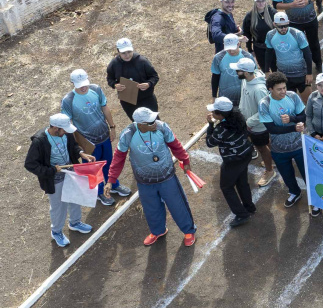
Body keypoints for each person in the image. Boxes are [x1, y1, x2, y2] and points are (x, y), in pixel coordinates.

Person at [106, 108, 197, 246]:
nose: (154, 123)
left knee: (177, 205)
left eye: (154, 120)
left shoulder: (162, 127)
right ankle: (158, 231)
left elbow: (175, 145)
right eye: (150, 122)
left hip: (167, 177)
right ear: (140, 124)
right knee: (151, 209)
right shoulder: (128, 134)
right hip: (144, 181)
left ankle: (188, 231)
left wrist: (185, 160)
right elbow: (119, 157)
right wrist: (111, 180)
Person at [24, 113, 96, 247]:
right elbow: (30, 164)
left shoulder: (66, 133)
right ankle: (56, 231)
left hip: (70, 172)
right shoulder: (39, 141)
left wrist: (81, 153)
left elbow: (73, 146)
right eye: (64, 130)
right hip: (54, 179)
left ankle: (75, 223)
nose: (67, 132)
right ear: (56, 128)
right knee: (59, 207)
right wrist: (51, 170)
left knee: (75, 198)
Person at [61, 69, 130, 205]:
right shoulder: (68, 100)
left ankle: (113, 184)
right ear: (73, 83)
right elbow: (67, 124)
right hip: (88, 142)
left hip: (104, 136)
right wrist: (78, 143)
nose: (83, 87)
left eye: (84, 84)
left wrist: (112, 127)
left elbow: (105, 108)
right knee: (92, 169)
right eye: (79, 85)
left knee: (108, 162)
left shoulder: (95, 89)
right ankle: (99, 193)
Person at [258, 72, 316, 212]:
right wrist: (293, 127)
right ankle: (295, 192)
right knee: (287, 175)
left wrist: (292, 119)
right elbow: (271, 129)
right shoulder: (264, 104)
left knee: (307, 174)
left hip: (299, 145)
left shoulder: (293, 96)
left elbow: (303, 116)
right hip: (279, 148)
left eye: (284, 87)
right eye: (279, 89)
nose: (283, 91)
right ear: (270, 89)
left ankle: (314, 199)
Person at [205, 98, 255, 227]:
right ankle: (249, 207)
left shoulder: (221, 129)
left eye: (214, 112)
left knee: (226, 187)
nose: (212, 113)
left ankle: (242, 214)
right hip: (245, 154)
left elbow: (210, 143)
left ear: (221, 114)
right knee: (242, 182)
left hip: (233, 161)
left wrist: (210, 125)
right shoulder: (239, 117)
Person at [272, 0, 321, 72]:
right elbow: (276, 4)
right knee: (297, 45)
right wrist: (292, 5)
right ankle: (302, 65)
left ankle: (318, 63)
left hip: (310, 18)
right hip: (294, 22)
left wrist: (308, 1)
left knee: (314, 42)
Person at [234, 57, 275, 187]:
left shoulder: (259, 89)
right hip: (250, 123)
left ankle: (269, 171)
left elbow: (265, 110)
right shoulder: (245, 80)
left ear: (246, 73)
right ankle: (274, 159)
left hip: (257, 126)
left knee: (262, 148)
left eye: (238, 70)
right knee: (266, 143)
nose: (236, 72)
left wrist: (249, 122)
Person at [106, 37, 159, 120]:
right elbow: (110, 79)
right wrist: (115, 85)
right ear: (118, 51)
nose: (127, 55)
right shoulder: (114, 64)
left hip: (146, 98)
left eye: (129, 52)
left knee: (153, 120)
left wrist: (149, 84)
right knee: (137, 123)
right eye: (123, 53)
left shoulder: (142, 61)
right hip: (128, 101)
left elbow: (154, 76)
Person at [264, 12, 313, 101]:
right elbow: (268, 53)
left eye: (286, 25)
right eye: (280, 26)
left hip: (301, 73)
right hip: (284, 75)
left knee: (309, 101)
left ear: (288, 22)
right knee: (289, 102)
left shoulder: (297, 34)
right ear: (274, 24)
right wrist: (266, 70)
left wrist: (309, 73)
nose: (284, 28)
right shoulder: (270, 35)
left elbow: (307, 54)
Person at [211, 34, 255, 106]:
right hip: (225, 97)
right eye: (228, 49)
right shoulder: (218, 57)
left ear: (238, 44)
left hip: (245, 97)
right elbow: (215, 77)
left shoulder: (247, 57)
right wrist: (214, 96)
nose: (231, 51)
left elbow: (254, 75)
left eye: (233, 48)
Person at [242, 0, 277, 70]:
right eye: (258, 1)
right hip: (259, 47)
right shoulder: (250, 16)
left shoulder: (272, 12)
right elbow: (247, 33)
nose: (261, 3)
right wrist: (250, 49)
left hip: (273, 47)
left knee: (275, 69)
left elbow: (280, 28)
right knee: (264, 70)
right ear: (255, 2)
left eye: (262, 0)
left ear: (266, 1)